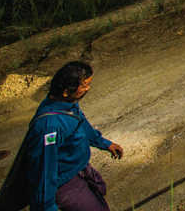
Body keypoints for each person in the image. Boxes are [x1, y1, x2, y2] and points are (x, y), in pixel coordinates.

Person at [24, 61, 124, 211]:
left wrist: (104, 143)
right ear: (66, 90)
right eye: (83, 86)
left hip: (79, 171)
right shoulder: (50, 126)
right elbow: (45, 171)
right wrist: (47, 207)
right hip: (65, 184)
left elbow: (82, 124)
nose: (87, 89)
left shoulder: (68, 103)